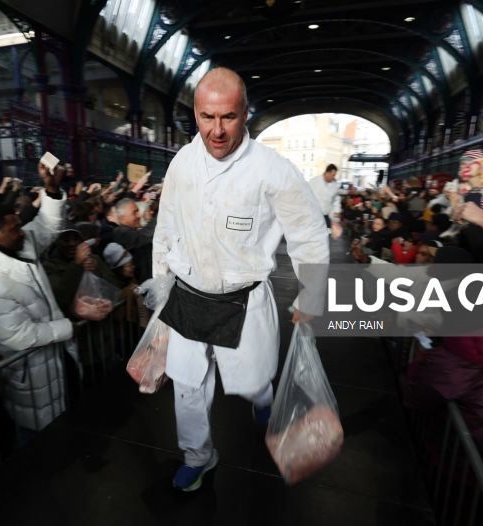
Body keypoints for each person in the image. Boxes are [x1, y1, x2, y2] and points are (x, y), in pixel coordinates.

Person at [153, 67, 329, 491]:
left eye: (227, 117)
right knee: (187, 385)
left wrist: (312, 295)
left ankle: (262, 398)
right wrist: (159, 287)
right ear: (193, 114)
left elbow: (308, 232)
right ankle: (198, 455)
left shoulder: (272, 170)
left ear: (245, 113)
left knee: (250, 378)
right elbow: (166, 227)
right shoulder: (181, 163)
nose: (216, 130)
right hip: (188, 295)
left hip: (243, 299)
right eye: (206, 117)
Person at [0, 163, 73, 442]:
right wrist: (66, 328)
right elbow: (19, 336)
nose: (22, 232)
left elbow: (48, 225)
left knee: (63, 431)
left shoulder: (18, 245)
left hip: (52, 363)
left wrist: (52, 189)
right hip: (30, 375)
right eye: (14, 229)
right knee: (37, 444)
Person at [308, 163, 341, 229]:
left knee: (326, 235)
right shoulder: (314, 182)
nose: (334, 177)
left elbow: (336, 199)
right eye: (333, 175)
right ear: (327, 173)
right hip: (314, 216)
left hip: (326, 216)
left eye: (334, 175)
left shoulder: (334, 185)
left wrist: (337, 211)